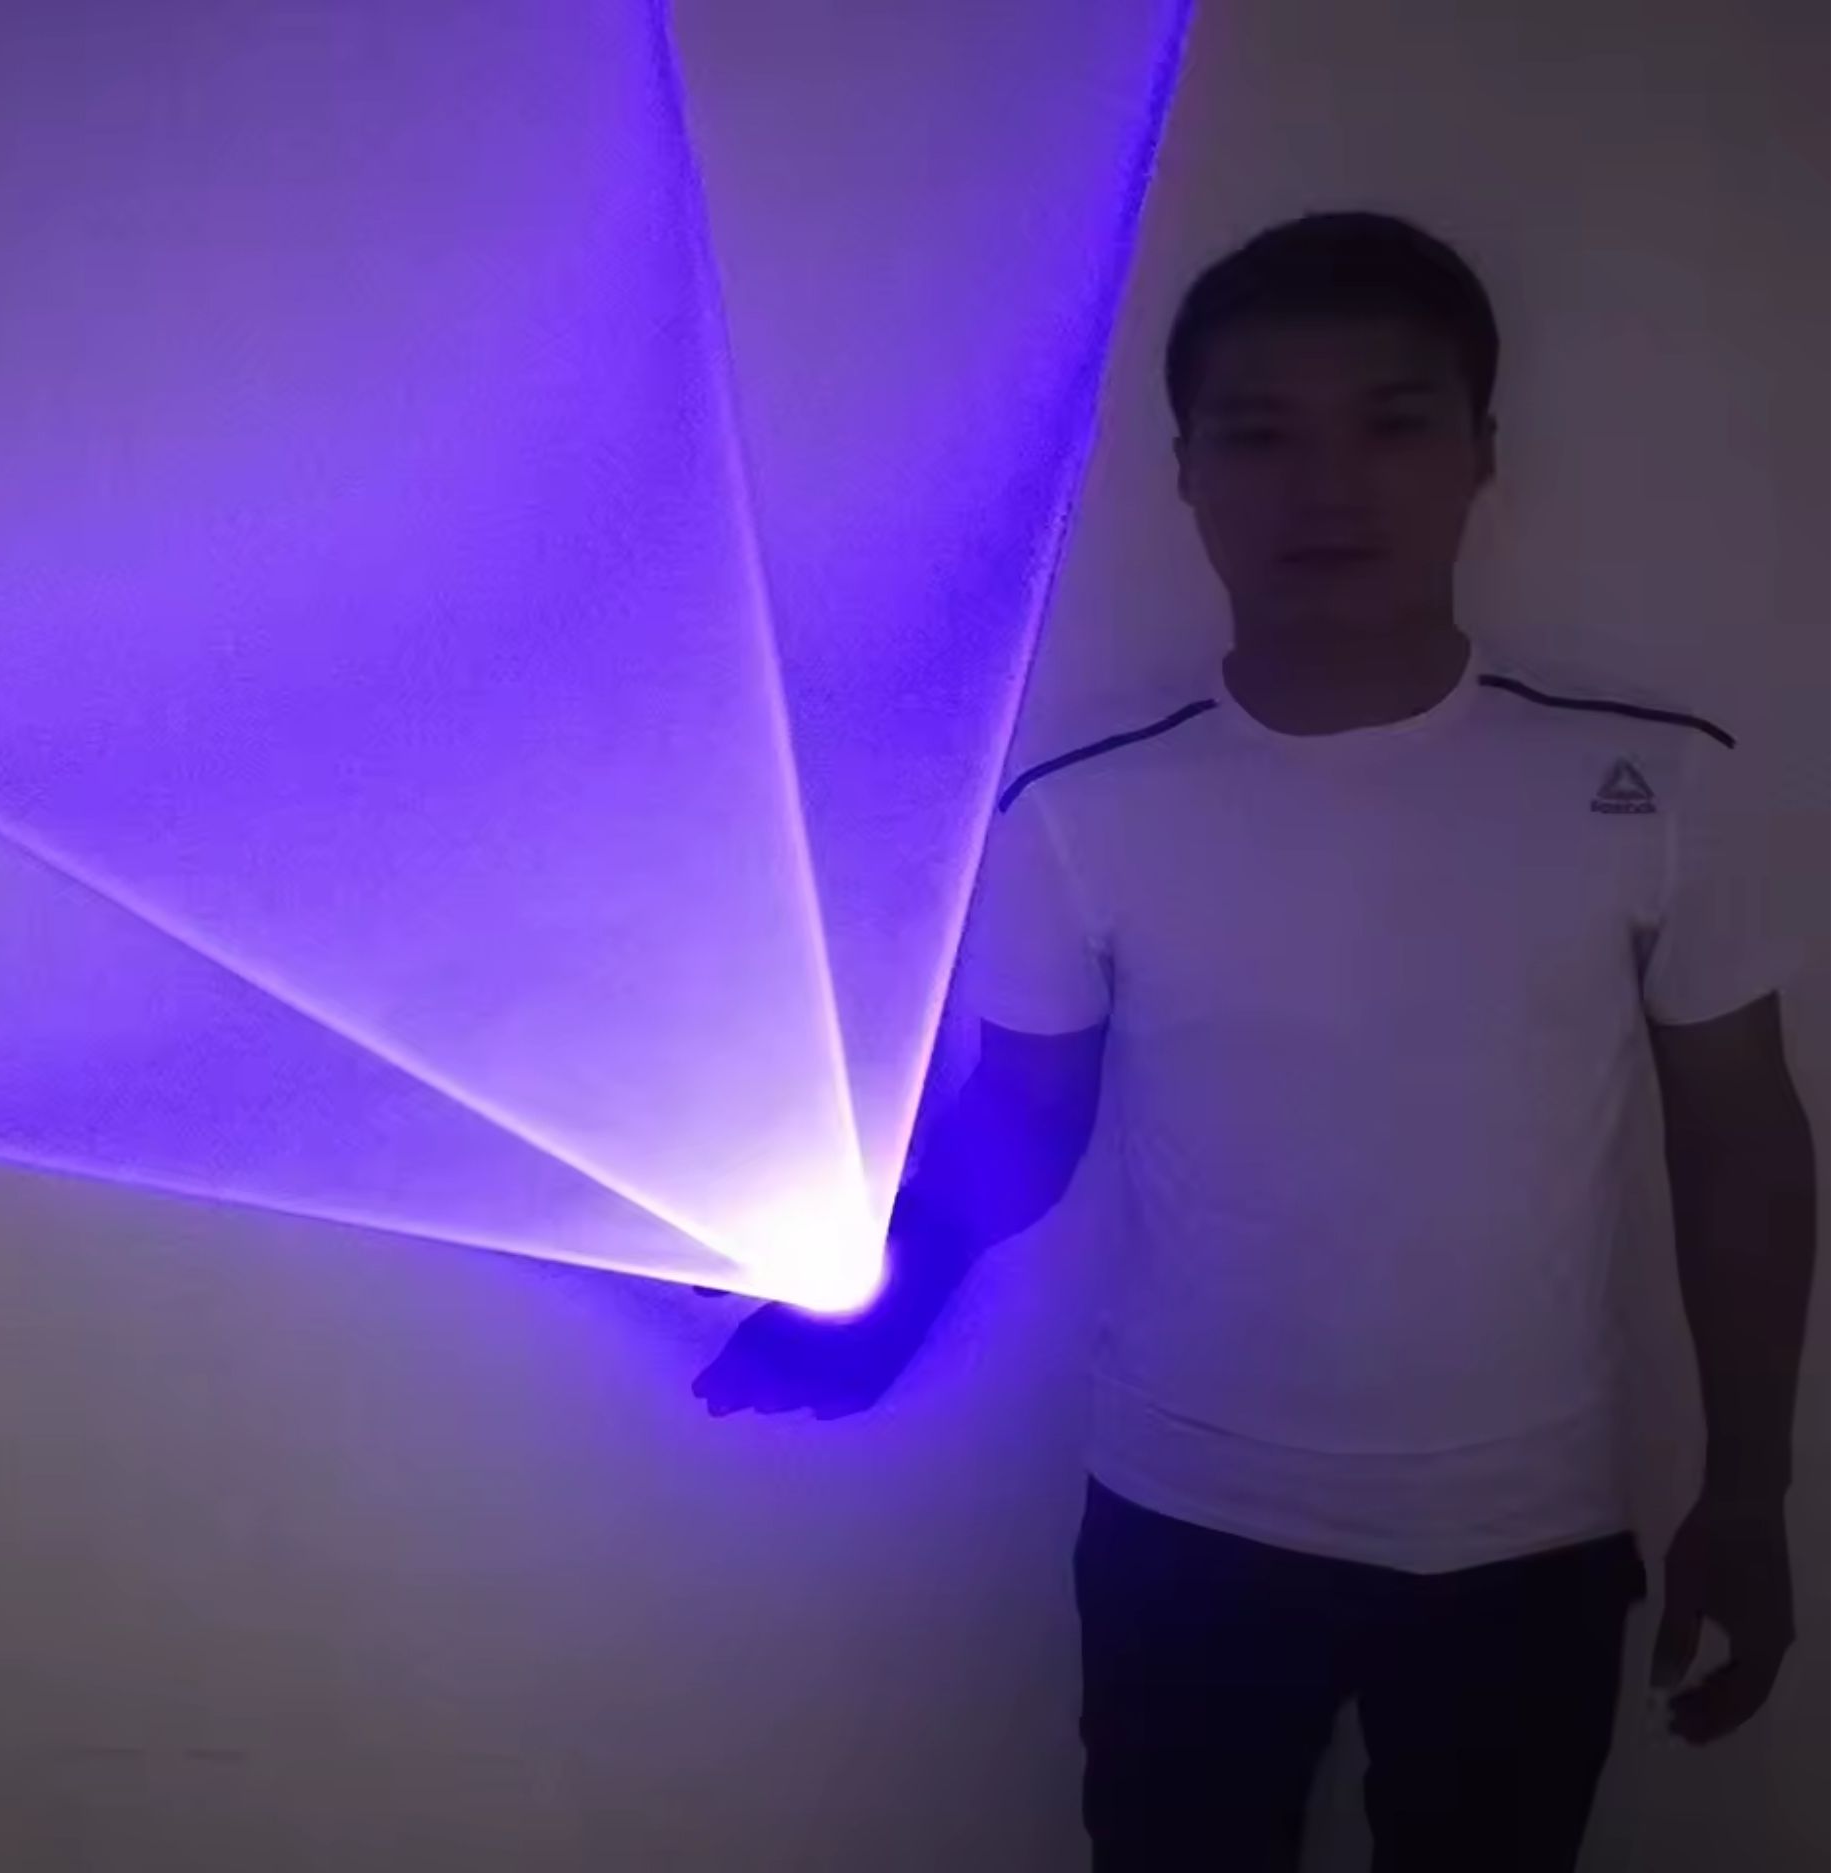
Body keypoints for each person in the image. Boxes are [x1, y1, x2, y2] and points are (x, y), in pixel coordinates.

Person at [694, 211, 1818, 1871]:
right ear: (1187, 472)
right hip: (1185, 1521)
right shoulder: (1080, 813)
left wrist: (1748, 1487)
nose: (1325, 484)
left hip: (1526, 1529)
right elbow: (1026, 1122)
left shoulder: (1649, 792)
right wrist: (881, 1304)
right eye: (1259, 433)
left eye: (1390, 422)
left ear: (1478, 453)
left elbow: (1739, 1151)